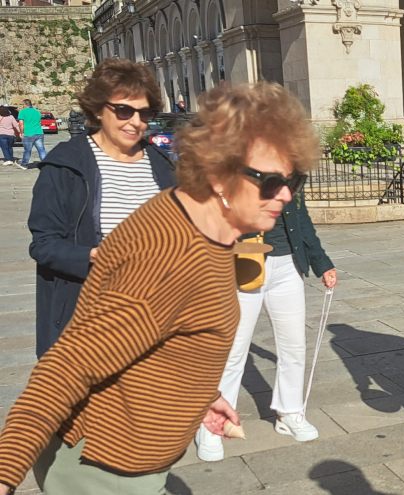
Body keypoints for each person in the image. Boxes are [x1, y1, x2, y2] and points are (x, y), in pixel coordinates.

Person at [0, 81, 319, 495]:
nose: (284, 196)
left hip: (132, 452)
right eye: (269, 180)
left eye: (293, 182)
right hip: (102, 465)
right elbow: (67, 367)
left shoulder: (209, 227)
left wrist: (198, 397)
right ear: (218, 172)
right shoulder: (169, 255)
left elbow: (165, 335)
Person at [27, 58, 176, 358]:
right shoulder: (66, 164)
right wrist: (94, 256)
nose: (136, 122)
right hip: (90, 320)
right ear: (97, 109)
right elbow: (44, 245)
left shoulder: (161, 164)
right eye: (124, 110)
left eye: (145, 113)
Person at [195, 179, 338, 461]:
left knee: (293, 346)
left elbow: (301, 217)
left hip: (288, 266)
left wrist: (321, 261)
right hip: (244, 262)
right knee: (233, 350)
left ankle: (289, 412)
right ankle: (212, 423)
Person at [17, 98, 45, 169]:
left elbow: (21, 124)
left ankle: (24, 164)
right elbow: (39, 122)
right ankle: (46, 164)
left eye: (22, 104)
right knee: (41, 149)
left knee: (27, 150)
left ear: (25, 104)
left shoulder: (22, 112)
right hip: (39, 132)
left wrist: (21, 133)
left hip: (28, 134)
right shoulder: (37, 112)